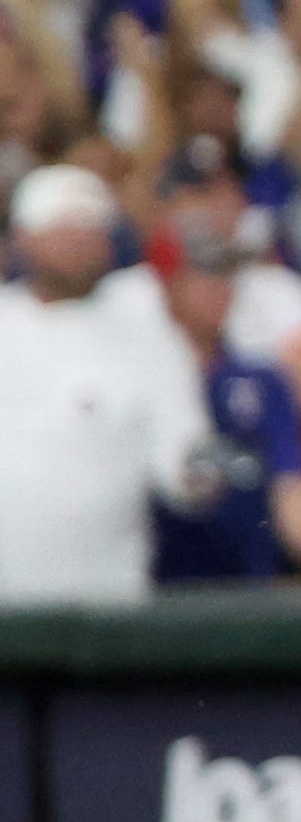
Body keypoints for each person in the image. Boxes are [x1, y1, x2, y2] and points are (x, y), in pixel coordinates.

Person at [0, 166, 214, 607]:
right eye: (62, 226)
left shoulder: (147, 335)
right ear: (23, 236)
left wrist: (206, 472)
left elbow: (184, 459)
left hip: (107, 601)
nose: (78, 239)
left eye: (91, 226)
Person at [153, 208, 301, 583]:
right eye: (203, 274)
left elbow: (290, 475)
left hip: (249, 583)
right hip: (158, 588)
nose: (219, 289)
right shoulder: (140, 375)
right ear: (169, 284)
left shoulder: (259, 379)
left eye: (225, 275)